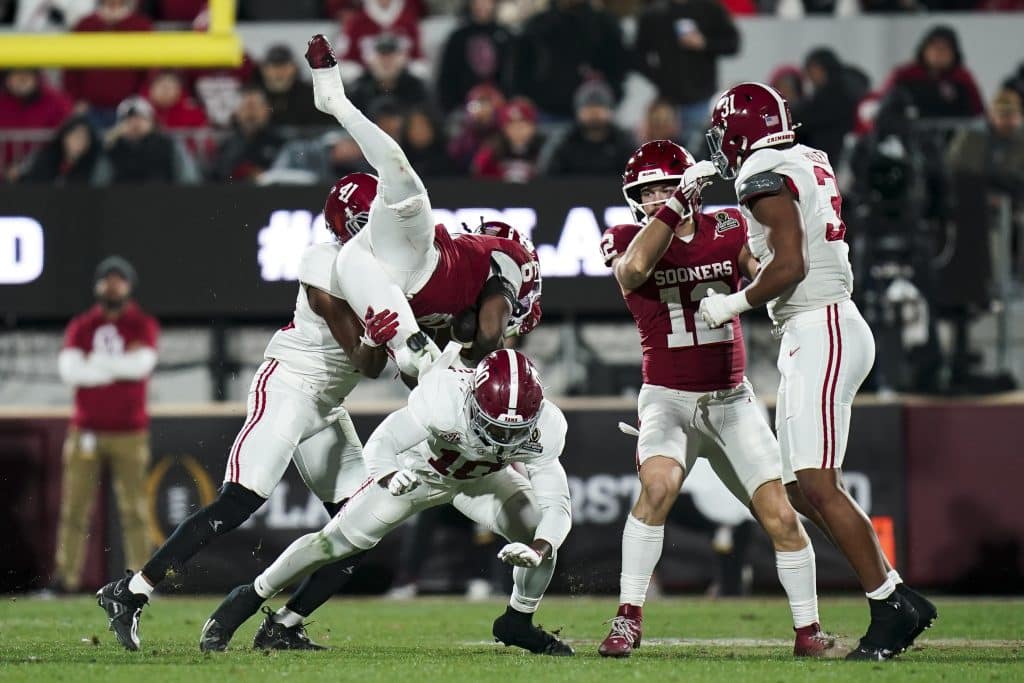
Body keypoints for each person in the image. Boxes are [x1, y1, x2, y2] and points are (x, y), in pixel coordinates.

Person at [95, 175, 399, 651]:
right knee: (241, 500)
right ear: (352, 224)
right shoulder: (324, 262)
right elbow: (368, 361)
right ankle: (130, 592)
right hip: (290, 386)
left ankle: (284, 624)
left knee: (363, 525)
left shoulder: (387, 266)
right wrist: (385, 333)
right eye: (374, 215)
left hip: (327, 404)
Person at [699, 81, 938, 660]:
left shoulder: (761, 171)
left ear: (739, 132)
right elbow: (782, 254)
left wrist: (730, 303)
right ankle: (898, 594)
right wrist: (745, 263)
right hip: (817, 324)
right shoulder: (802, 158)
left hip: (821, 325)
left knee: (816, 486)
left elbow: (791, 265)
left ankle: (889, 605)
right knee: (795, 487)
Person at [596, 141, 838, 659]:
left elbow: (764, 273)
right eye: (649, 191)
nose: (659, 196)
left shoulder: (727, 226)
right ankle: (627, 617)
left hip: (731, 399)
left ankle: (808, 630)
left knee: (780, 514)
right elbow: (633, 270)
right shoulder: (624, 237)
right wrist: (674, 203)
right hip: (667, 399)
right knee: (657, 486)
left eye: (668, 185)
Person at [201, 350, 574, 657]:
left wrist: (540, 547)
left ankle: (517, 621)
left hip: (483, 482)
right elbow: (382, 443)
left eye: (513, 433)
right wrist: (388, 475)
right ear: (473, 402)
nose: (501, 441)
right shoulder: (444, 397)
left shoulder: (547, 426)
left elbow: (558, 505)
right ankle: (247, 597)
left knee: (543, 538)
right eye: (494, 427)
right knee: (331, 543)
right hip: (419, 473)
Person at [306, 34, 540, 375]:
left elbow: (390, 372)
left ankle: (334, 101)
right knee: (400, 175)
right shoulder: (507, 259)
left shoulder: (351, 259)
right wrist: (467, 367)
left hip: (383, 272)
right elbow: (490, 335)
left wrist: (383, 344)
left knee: (415, 360)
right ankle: (335, 101)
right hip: (417, 257)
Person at [55, 256, 158, 594]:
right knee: (74, 509)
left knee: (134, 510)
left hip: (130, 432)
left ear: (128, 286)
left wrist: (95, 363)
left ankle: (142, 580)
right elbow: (71, 371)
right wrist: (116, 365)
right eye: (107, 280)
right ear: (98, 285)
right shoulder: (82, 325)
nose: (113, 286)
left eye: (119, 280)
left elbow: (140, 366)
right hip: (86, 430)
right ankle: (65, 579)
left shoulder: (141, 324)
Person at [634, 0, 740, 149]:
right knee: (665, 154)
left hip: (703, 97)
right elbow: (638, 55)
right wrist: (659, 78)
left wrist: (705, 43)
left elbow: (733, 43)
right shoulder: (654, 13)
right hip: (667, 102)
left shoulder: (710, 8)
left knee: (704, 153)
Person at [511, 0, 627, 120]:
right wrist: (523, 95)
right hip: (546, 112)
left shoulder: (604, 23)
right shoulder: (538, 24)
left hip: (595, 116)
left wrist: (611, 97)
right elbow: (520, 65)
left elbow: (618, 68)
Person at [63, 0, 153, 126]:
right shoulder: (85, 25)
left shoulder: (140, 26)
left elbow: (149, 69)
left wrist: (139, 100)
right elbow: (71, 68)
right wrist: (76, 99)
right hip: (90, 109)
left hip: (129, 109)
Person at [881, 25, 983, 120]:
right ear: (924, 50)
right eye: (935, 48)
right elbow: (880, 102)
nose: (939, 53)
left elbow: (978, 112)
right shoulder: (904, 74)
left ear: (954, 53)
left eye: (945, 49)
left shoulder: (962, 77)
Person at [539, 80, 636, 176]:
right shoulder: (564, 140)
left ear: (610, 111)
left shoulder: (623, 140)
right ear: (577, 112)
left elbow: (636, 174)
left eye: (599, 109)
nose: (593, 115)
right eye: (588, 109)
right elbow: (546, 175)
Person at [436, 0, 514, 114]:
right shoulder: (458, 37)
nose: (481, 5)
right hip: (462, 107)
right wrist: (450, 107)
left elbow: (511, 73)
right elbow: (447, 74)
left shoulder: (505, 36)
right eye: (477, 1)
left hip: (500, 107)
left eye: (487, 1)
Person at [103, 96, 199, 184]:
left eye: (141, 118)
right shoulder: (112, 147)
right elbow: (101, 181)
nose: (135, 123)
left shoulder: (168, 144)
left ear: (152, 121)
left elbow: (188, 179)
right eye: (129, 119)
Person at [791, 48, 859, 168]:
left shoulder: (833, 96)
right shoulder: (846, 91)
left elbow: (805, 118)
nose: (808, 76)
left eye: (811, 69)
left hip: (831, 162)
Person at [212, 86, 285, 182]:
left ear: (266, 110)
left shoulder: (282, 144)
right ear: (237, 112)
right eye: (246, 107)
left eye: (255, 107)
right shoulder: (226, 146)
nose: (251, 113)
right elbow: (216, 178)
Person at [347, 33, 431, 114]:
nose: (386, 61)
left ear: (403, 59)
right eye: (382, 56)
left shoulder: (416, 89)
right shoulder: (358, 89)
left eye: (391, 56)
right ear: (371, 60)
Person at [16, 114, 105, 185]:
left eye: (84, 138)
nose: (79, 142)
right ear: (64, 137)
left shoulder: (95, 165)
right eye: (75, 137)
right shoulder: (45, 158)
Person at [471, 97, 544, 182]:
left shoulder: (543, 148)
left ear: (532, 127)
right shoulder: (493, 149)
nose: (517, 130)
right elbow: (478, 172)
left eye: (522, 125)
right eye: (512, 126)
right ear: (504, 128)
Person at [255, 44, 321, 128]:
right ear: (263, 70)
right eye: (274, 67)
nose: (279, 73)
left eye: (284, 67)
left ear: (294, 68)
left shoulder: (312, 96)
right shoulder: (253, 97)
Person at [448, 83, 504, 172]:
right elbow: (453, 155)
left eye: (487, 105)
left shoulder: (502, 134)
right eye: (479, 105)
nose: (483, 111)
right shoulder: (463, 132)